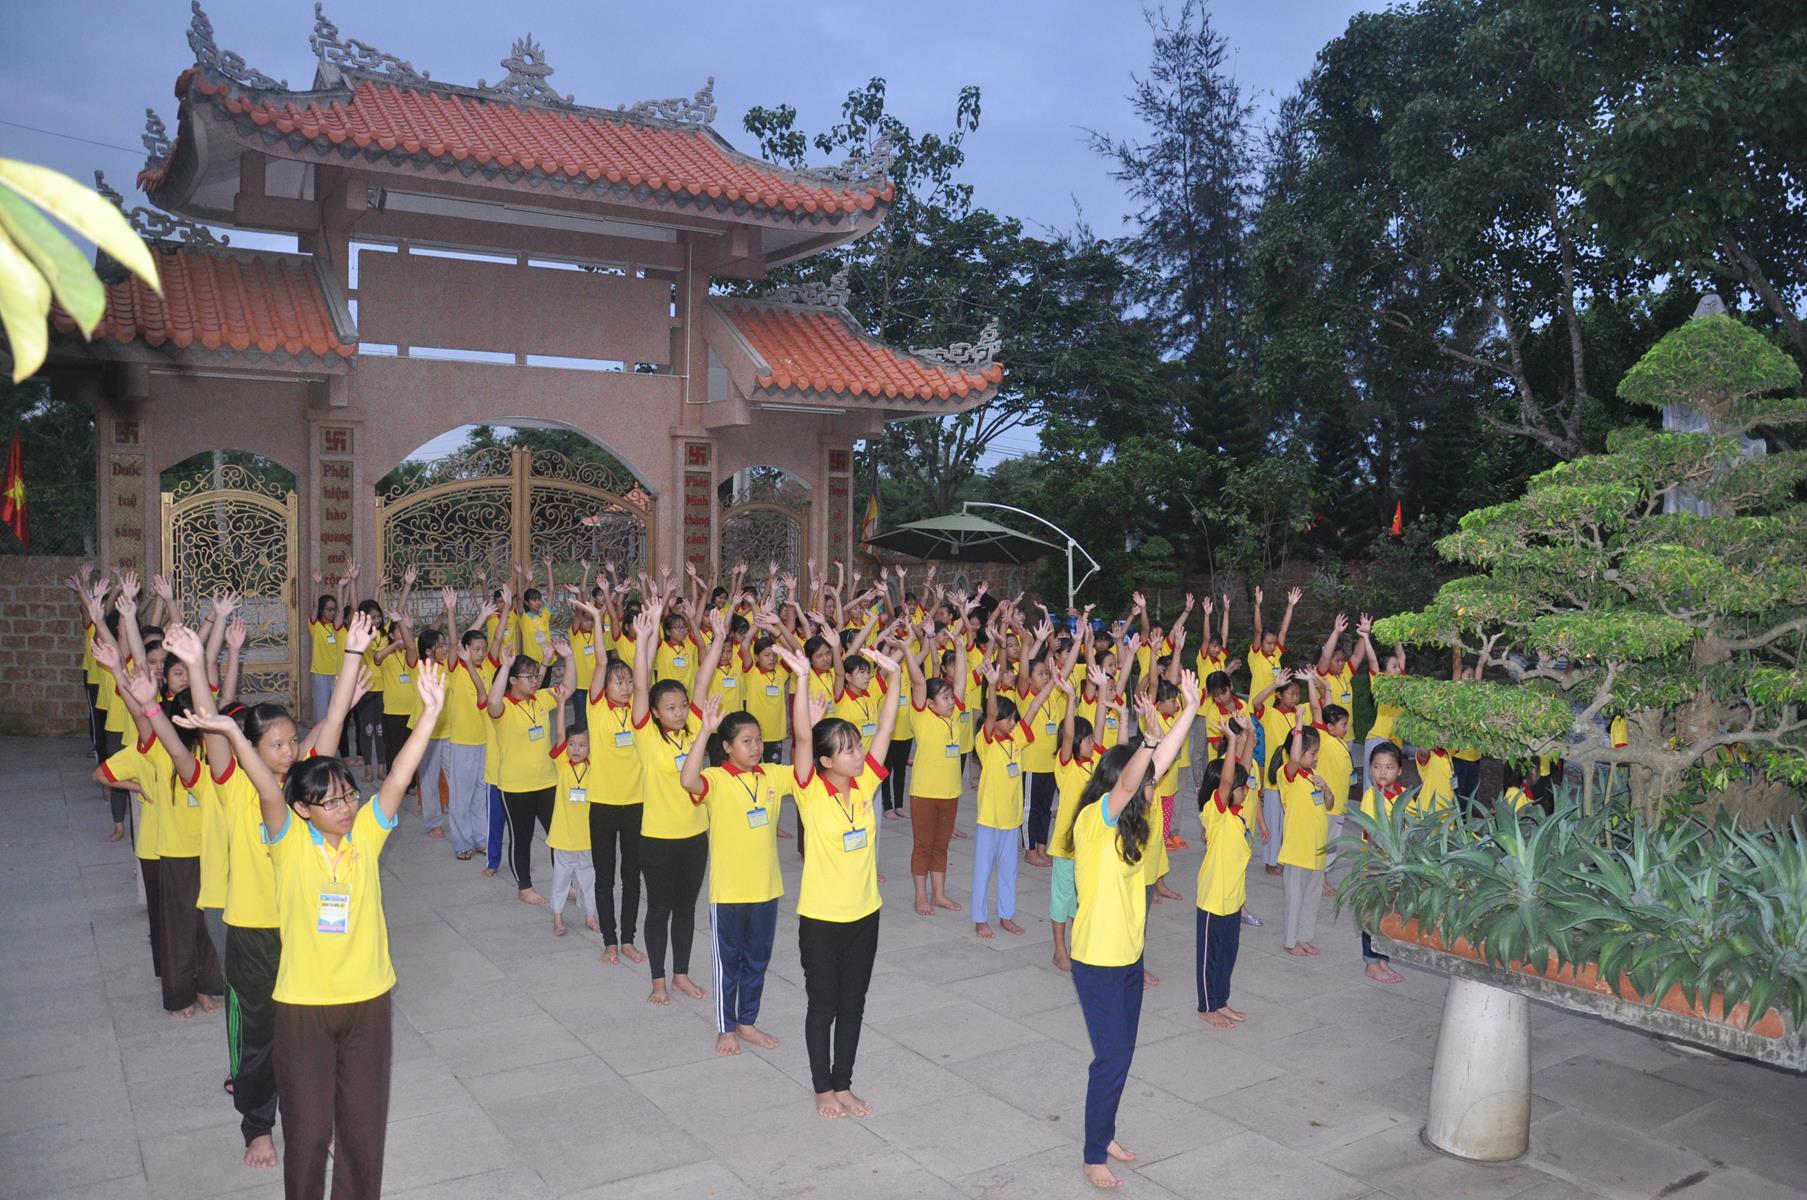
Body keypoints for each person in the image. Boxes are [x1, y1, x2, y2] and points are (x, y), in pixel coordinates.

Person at [178, 654, 445, 1200]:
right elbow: (266, 788)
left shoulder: (366, 835)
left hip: (368, 999)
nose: (345, 808)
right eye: (329, 801)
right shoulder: (288, 841)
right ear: (302, 810)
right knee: (306, 1129)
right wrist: (230, 730)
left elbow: (398, 776)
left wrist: (429, 716)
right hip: (302, 1005)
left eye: (348, 796)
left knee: (363, 1126)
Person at [166, 613, 364, 1172]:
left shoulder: (305, 783)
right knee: (258, 1034)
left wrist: (352, 655)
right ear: (250, 746)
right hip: (251, 928)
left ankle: (316, 1122)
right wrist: (198, 666)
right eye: (276, 744)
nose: (289, 750)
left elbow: (335, 719)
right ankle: (257, 1128)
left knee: (314, 1033)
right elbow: (214, 730)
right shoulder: (233, 783)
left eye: (293, 741)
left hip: (307, 926)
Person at [1066, 672, 1199, 1190]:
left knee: (1122, 1054)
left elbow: (1156, 766)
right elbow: (1131, 781)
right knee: (1112, 1057)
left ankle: (1106, 1134)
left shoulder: (1129, 818)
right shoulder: (1093, 822)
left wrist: (1189, 709)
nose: (1151, 787)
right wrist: (1145, 738)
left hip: (1129, 957)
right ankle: (1092, 1153)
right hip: (1097, 958)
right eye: (1144, 782)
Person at [771, 636, 903, 1120]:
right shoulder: (810, 790)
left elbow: (886, 726)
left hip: (865, 914)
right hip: (822, 920)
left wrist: (894, 676)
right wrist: (804, 677)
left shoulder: (865, 783)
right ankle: (822, 1089)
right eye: (847, 750)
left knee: (854, 1004)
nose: (857, 754)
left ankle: (844, 1083)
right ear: (826, 761)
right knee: (822, 1006)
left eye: (856, 746)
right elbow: (803, 740)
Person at [631, 602, 729, 1004]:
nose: (677, 712)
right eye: (669, 708)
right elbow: (641, 686)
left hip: (694, 834)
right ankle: (658, 980)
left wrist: (719, 638)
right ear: (654, 712)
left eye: (681, 706)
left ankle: (681, 975)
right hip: (657, 837)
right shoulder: (645, 734)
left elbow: (703, 678)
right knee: (659, 909)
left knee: (686, 908)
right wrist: (644, 639)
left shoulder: (694, 729)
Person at [680, 699, 786, 1055]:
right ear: (726, 747)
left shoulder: (771, 775)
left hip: (766, 889)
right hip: (728, 893)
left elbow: (804, 771)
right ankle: (726, 1028)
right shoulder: (716, 779)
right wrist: (704, 731)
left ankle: (747, 1022)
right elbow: (687, 779)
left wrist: (807, 729)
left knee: (757, 960)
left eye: (758, 740)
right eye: (746, 741)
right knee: (728, 963)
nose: (755, 747)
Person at [972, 621, 1053, 939]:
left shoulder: (1016, 738)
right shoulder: (986, 740)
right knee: (983, 871)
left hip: (1010, 819)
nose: (1014, 722)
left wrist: (1052, 683)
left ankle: (1006, 915)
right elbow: (991, 715)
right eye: (1010, 719)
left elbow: (1033, 708)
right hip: (989, 818)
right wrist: (992, 687)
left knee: (1009, 871)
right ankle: (980, 919)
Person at [484, 638, 575, 905]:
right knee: (521, 838)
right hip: (516, 786)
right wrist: (505, 666)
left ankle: (565, 883)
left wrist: (569, 657)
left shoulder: (542, 699)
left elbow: (568, 688)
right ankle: (524, 887)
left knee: (558, 836)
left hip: (547, 781)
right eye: (529, 677)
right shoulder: (504, 708)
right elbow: (492, 701)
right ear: (513, 680)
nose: (535, 681)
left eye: (537, 676)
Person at [579, 644, 649, 966]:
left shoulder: (638, 709)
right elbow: (600, 662)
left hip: (636, 803)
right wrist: (597, 621)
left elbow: (644, 675)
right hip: (603, 805)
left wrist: (645, 637)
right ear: (604, 686)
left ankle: (628, 940)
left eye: (628, 681)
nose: (625, 687)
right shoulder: (596, 709)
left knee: (632, 876)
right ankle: (609, 941)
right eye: (618, 682)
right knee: (604, 876)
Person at [1050, 668, 1112, 972]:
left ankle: (1079, 943)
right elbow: (1069, 734)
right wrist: (1072, 697)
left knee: (1083, 895)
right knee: (1062, 897)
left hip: (1089, 842)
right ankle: (1059, 950)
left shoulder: (1094, 761)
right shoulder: (1066, 765)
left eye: (1090, 739)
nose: (1090, 742)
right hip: (1066, 842)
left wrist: (1101, 690)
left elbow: (1099, 726)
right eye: (1085, 739)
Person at [1196, 718, 1257, 1028]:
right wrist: (1232, 741)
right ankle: (1207, 1006)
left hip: (1233, 898)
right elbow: (1228, 782)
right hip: (1213, 899)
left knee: (1229, 953)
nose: (1246, 790)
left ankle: (1221, 1001)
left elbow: (1240, 773)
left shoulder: (1236, 813)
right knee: (1211, 956)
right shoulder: (1215, 813)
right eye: (1241, 788)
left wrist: (1249, 736)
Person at [904, 637, 965, 917]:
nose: (951, 701)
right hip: (925, 793)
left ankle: (938, 894)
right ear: (929, 703)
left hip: (951, 792)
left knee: (941, 845)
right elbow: (918, 682)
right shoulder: (922, 717)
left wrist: (960, 647)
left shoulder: (954, 716)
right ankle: (920, 895)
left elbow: (960, 681)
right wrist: (907, 650)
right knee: (923, 846)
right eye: (945, 697)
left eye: (951, 697)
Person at [1272, 712, 1328, 958]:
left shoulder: (1312, 777)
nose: (1316, 758)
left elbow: (1328, 803)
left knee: (1311, 898)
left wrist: (1326, 788)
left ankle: (1304, 937)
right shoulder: (1287, 775)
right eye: (1312, 753)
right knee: (1294, 898)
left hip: (1317, 849)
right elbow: (1294, 758)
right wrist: (1298, 725)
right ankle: (1289, 940)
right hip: (1297, 850)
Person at [1356, 743, 1408, 984]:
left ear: (1399, 770)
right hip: (1376, 865)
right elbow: (1371, 832)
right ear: (1370, 770)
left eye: (1389, 767)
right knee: (1373, 913)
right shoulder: (1371, 796)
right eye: (1377, 767)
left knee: (1388, 913)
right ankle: (1370, 962)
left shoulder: (1404, 795)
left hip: (1396, 866)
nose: (1382, 772)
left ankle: (1383, 958)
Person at [546, 707, 599, 937]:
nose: (576, 749)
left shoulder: (594, 765)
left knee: (588, 879)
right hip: (564, 836)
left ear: (590, 747)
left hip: (587, 837)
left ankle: (590, 916)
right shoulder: (561, 764)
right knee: (561, 879)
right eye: (572, 744)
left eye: (582, 745)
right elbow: (559, 734)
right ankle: (557, 916)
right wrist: (560, 706)